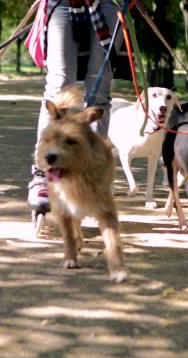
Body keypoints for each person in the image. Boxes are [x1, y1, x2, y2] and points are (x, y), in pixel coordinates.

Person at [28, 0, 127, 212]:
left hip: (108, 4)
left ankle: (92, 171)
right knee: (59, 88)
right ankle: (43, 173)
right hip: (62, 4)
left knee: (98, 93)